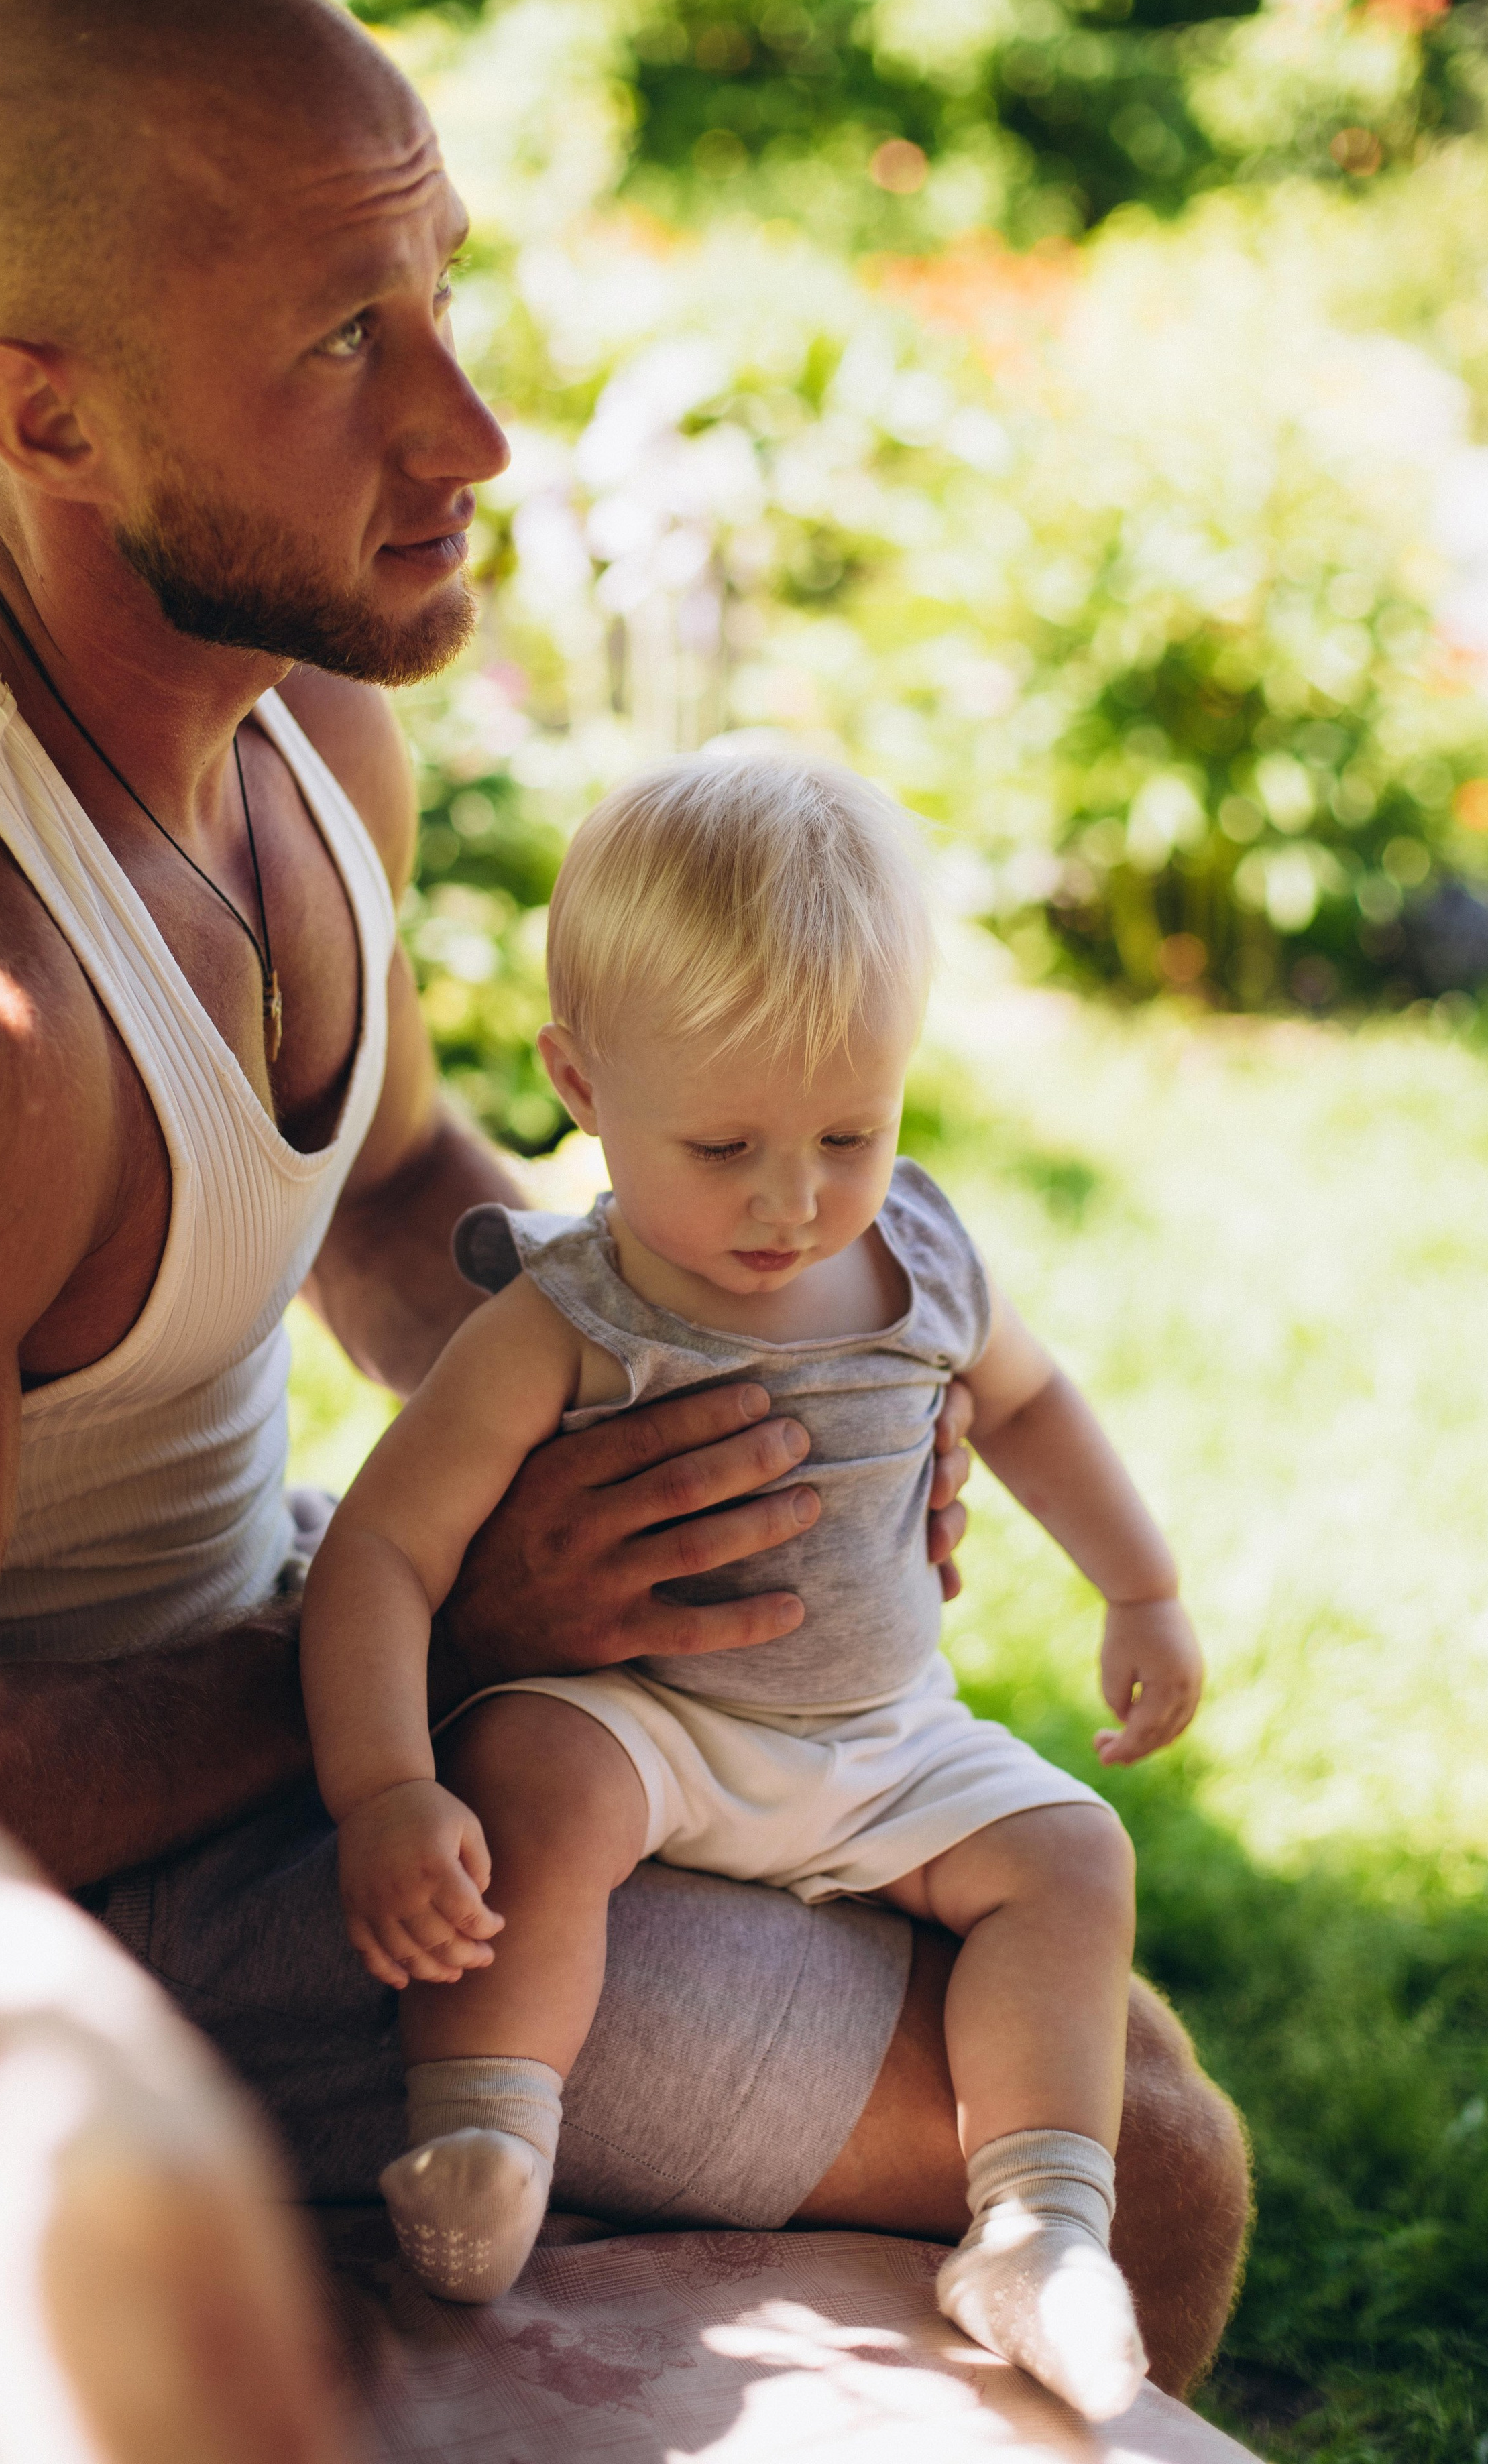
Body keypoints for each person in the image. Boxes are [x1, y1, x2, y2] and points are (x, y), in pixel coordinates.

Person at [0, 0, 1247, 2409]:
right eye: (341, 346)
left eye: (439, 292)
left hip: (321, 1671)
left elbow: (383, 1202)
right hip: (98, 1906)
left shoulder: (304, 730)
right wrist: (448, 1630)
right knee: (1158, 2158)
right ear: (46, 415)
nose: (467, 429)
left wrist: (732, 1394)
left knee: (1106, 2015)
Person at [300, 755, 1203, 2419]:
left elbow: (1025, 1405)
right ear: (579, 1084)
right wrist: (382, 1786)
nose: (792, 1203)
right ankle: (486, 2134)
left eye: (849, 1132)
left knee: (1071, 1854)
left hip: (882, 1741)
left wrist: (1136, 1588)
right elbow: (383, 1548)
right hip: (654, 1732)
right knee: (532, 1777)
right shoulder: (567, 1317)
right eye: (721, 1145)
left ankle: (1036, 2228)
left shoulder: (918, 1256)